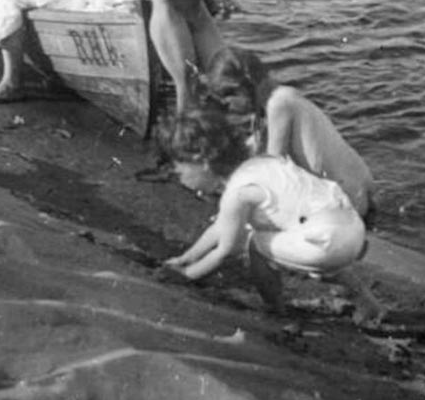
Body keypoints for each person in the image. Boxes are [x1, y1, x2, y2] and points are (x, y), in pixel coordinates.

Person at [161, 108, 381, 321]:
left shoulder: (236, 193)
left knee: (255, 244)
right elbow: (221, 226)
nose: (180, 179)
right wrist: (186, 258)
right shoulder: (259, 166)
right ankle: (369, 303)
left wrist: (186, 276)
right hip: (350, 226)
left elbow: (225, 251)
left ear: (203, 161)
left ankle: (274, 308)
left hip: (326, 240)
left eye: (180, 170)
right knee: (309, 241)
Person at [203, 46, 376, 224]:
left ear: (244, 88)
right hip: (357, 186)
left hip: (347, 199)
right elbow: (256, 149)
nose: (227, 107)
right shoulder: (276, 100)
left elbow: (272, 167)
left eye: (226, 98)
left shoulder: (279, 104)